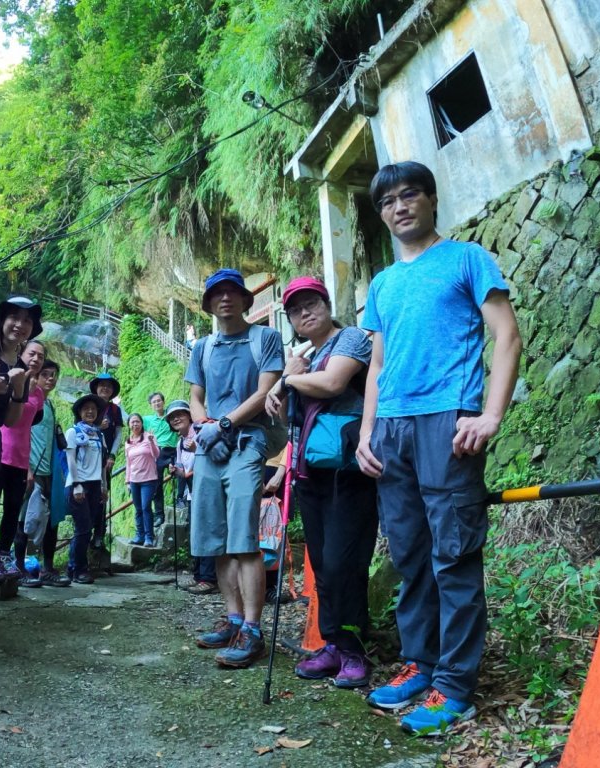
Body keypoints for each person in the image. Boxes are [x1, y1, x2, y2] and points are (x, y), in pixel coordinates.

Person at [356, 161, 521, 734]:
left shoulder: (467, 259)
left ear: (430, 200)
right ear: (381, 215)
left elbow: (506, 334)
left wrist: (490, 414)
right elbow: (376, 366)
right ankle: (420, 664)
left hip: (448, 419)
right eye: (388, 202)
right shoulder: (382, 284)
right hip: (392, 431)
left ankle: (454, 685)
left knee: (453, 553)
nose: (400, 207)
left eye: (410, 196)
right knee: (410, 555)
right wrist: (364, 433)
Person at [264, 275, 378, 689]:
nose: (304, 312)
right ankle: (332, 643)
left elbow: (333, 383)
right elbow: (286, 420)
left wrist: (287, 379)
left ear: (327, 304)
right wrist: (283, 387)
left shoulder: (350, 340)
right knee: (324, 564)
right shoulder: (303, 357)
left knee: (345, 561)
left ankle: (353, 650)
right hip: (312, 472)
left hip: (349, 470)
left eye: (311, 303)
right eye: (295, 309)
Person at [186, 268, 284, 669]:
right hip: (211, 446)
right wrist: (203, 427)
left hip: (247, 442)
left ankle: (253, 628)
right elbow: (195, 396)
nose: (225, 299)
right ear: (209, 304)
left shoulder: (265, 338)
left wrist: (224, 426)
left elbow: (266, 392)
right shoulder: (203, 347)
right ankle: (232, 619)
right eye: (217, 294)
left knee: (243, 538)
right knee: (216, 539)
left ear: (246, 301)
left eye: (232, 292)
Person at [0, 297, 43, 589]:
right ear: (1, 321)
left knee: (3, 507)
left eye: (27, 320)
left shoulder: (22, 375)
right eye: (14, 317)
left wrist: (15, 390)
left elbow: (12, 420)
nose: (20, 324)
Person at [0, 340, 46, 581]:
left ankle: (4, 555)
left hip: (22, 458)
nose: (35, 359)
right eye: (32, 354)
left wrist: (31, 466)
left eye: (40, 357)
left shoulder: (40, 394)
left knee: (13, 511)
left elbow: (30, 424)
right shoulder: (10, 377)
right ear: (22, 354)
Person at [14, 359, 72, 587]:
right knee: (22, 519)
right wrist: (26, 467)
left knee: (52, 521)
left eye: (53, 375)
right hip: (30, 469)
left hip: (50, 471)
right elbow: (18, 434)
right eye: (45, 374)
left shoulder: (48, 405)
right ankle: (18, 568)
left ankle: (47, 568)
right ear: (35, 377)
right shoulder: (27, 401)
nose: (50, 378)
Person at [166, 400, 216, 595]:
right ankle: (199, 576)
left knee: (206, 533)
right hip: (191, 493)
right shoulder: (180, 443)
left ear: (189, 415)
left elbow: (213, 458)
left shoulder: (203, 433)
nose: (176, 418)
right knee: (195, 534)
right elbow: (184, 471)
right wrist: (175, 471)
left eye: (180, 414)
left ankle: (209, 578)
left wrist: (198, 450)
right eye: (172, 417)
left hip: (207, 492)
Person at [64, 393, 107, 584]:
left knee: (88, 528)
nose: (90, 411)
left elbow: (103, 463)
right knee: (82, 529)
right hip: (78, 485)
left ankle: (77, 568)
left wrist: (104, 486)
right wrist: (76, 485)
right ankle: (76, 568)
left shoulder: (99, 434)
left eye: (93, 409)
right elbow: (70, 460)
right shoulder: (73, 432)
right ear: (79, 412)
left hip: (96, 484)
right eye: (86, 409)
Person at [89, 372, 124, 548]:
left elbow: (118, 433)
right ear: (96, 387)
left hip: (105, 460)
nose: (105, 388)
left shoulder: (115, 410)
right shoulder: (88, 405)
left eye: (108, 386)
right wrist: (96, 427)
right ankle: (85, 532)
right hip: (87, 459)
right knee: (87, 494)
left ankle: (99, 534)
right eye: (102, 385)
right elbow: (77, 429)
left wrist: (112, 455)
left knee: (102, 495)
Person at [123, 413, 159, 547]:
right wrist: (127, 481)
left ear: (142, 423)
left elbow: (156, 454)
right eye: (132, 422)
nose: (135, 424)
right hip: (134, 480)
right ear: (129, 425)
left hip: (149, 479)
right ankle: (140, 535)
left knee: (145, 507)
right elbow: (128, 463)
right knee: (138, 509)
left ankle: (149, 537)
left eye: (137, 422)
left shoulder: (149, 437)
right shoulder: (128, 442)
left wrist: (150, 441)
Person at [144, 392, 179, 526]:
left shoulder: (171, 415)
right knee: (156, 485)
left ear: (163, 402)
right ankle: (159, 515)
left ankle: (181, 499)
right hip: (157, 453)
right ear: (151, 405)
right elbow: (132, 420)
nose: (157, 403)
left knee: (181, 474)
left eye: (159, 401)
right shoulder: (147, 420)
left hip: (173, 451)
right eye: (154, 402)